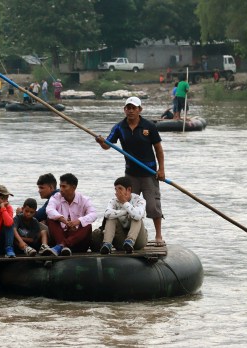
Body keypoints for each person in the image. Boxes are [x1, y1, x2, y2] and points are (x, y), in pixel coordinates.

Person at [95, 96, 166, 246]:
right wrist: (101, 142)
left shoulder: (149, 126)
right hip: (131, 174)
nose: (131, 111)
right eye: (128, 108)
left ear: (140, 110)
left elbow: (158, 148)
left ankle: (158, 235)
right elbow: (108, 145)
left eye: (134, 108)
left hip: (149, 173)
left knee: (152, 206)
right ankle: (127, 236)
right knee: (126, 204)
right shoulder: (120, 127)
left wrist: (161, 169)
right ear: (124, 109)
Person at [43, 173, 97, 256]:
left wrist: (78, 221)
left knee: (87, 225)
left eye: (64, 186)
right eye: (60, 186)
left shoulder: (84, 199)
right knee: (51, 220)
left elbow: (93, 214)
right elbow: (49, 210)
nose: (61, 189)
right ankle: (63, 245)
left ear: (73, 187)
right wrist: (63, 220)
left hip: (77, 241)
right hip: (61, 237)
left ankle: (62, 246)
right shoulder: (56, 197)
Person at [97, 176, 148, 254]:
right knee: (111, 217)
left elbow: (138, 215)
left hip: (138, 240)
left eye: (120, 189)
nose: (117, 192)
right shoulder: (114, 201)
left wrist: (125, 202)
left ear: (129, 190)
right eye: (116, 190)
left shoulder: (139, 200)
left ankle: (130, 241)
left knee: (135, 216)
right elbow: (107, 213)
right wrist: (125, 212)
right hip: (121, 241)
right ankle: (107, 244)